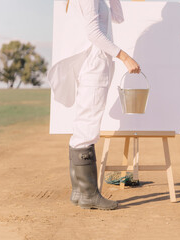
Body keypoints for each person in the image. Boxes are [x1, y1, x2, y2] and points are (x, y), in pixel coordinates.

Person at [48, 0, 140, 210]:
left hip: (94, 64)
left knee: (83, 124)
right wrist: (125, 57)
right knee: (88, 126)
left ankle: (80, 192)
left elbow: (119, 17)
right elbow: (93, 33)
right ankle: (88, 194)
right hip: (93, 66)